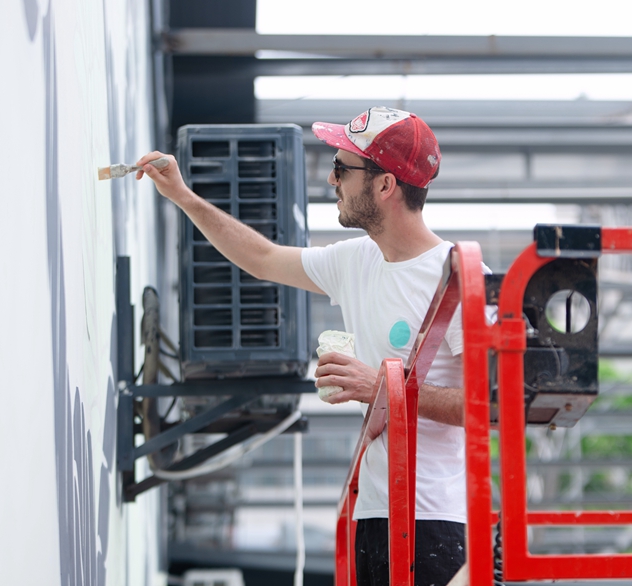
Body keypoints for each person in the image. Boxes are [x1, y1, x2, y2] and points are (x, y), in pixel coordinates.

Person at [136, 106, 469, 586]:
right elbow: (263, 258)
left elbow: (493, 407)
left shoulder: (457, 277)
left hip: (433, 523)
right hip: (373, 514)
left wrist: (380, 387)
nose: (332, 180)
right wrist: (182, 195)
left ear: (385, 185)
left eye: (342, 168)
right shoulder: (357, 260)